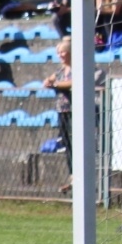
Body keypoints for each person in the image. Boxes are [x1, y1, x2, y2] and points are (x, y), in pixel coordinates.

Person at [48, 36, 74, 192]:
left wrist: (57, 85)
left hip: (73, 110)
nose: (60, 55)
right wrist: (52, 82)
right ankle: (72, 176)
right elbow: (48, 81)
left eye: (63, 52)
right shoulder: (60, 71)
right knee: (67, 144)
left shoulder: (76, 68)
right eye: (58, 53)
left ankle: (77, 176)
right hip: (62, 110)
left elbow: (74, 82)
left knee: (75, 143)